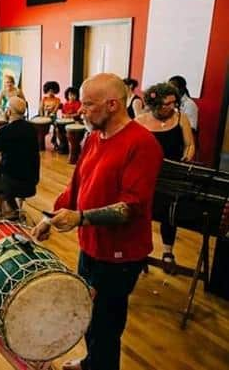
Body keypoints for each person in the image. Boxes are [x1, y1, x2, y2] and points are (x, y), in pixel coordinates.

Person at [30, 73, 163, 370]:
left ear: (113, 104)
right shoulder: (93, 138)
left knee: (106, 325)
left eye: (88, 105)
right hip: (90, 247)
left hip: (121, 255)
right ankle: (92, 362)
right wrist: (48, 219)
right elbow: (75, 187)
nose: (80, 110)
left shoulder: (142, 144)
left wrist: (81, 218)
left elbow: (131, 207)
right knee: (87, 313)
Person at [135, 83, 195, 274]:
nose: (173, 106)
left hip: (172, 175)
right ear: (155, 104)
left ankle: (168, 252)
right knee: (142, 213)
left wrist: (187, 155)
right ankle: (140, 251)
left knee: (170, 214)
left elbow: (189, 144)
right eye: (167, 103)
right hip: (146, 175)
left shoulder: (181, 118)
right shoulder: (140, 121)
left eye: (174, 102)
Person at [0, 97, 39, 222]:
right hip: (31, 183)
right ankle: (9, 208)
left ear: (9, 111)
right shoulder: (32, 129)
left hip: (12, 183)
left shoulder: (2, 132)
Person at [39, 81, 61, 148]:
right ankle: (41, 143)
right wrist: (42, 116)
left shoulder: (57, 100)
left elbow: (55, 110)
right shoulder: (44, 99)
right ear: (47, 90)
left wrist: (50, 113)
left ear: (55, 91)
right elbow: (41, 108)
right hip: (44, 116)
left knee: (57, 127)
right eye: (49, 91)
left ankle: (54, 140)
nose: (51, 92)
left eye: (52, 91)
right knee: (41, 127)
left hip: (53, 116)